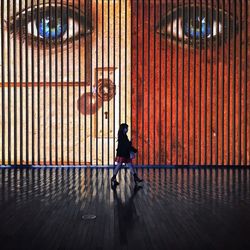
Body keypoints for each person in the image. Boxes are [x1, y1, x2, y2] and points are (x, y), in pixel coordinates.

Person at [111, 123, 143, 187]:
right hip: (123, 153)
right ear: (123, 128)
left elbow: (126, 145)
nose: (127, 129)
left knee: (126, 165)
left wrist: (130, 145)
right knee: (121, 165)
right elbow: (127, 145)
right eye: (126, 128)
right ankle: (135, 177)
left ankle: (114, 178)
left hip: (123, 153)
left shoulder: (122, 135)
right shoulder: (123, 136)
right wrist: (134, 149)